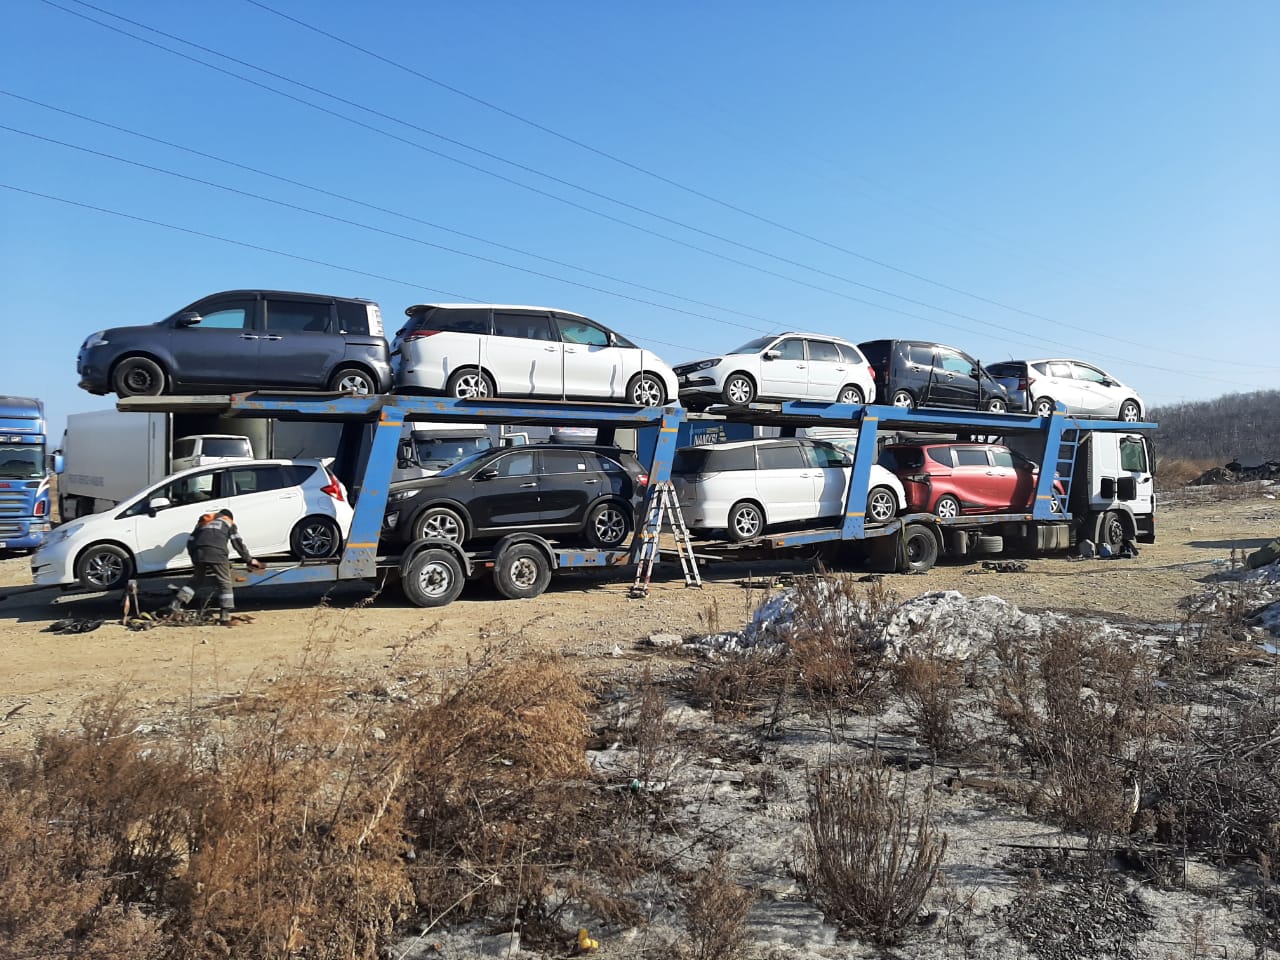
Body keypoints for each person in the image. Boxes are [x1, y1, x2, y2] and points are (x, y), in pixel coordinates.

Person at [167, 508, 264, 626]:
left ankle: (176, 603)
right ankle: (224, 616)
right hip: (217, 553)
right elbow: (237, 543)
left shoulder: (204, 522)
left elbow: (190, 541)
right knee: (225, 582)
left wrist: (196, 558)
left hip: (198, 553)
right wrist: (249, 560)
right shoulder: (229, 522)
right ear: (229, 517)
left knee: (196, 580)